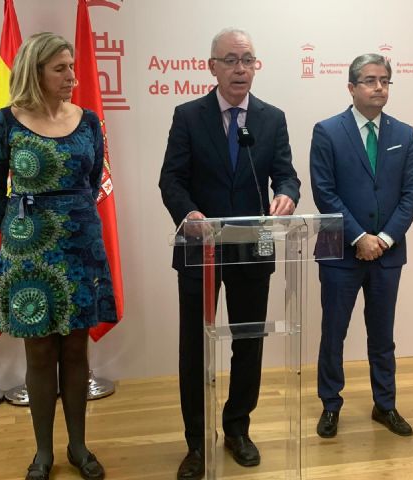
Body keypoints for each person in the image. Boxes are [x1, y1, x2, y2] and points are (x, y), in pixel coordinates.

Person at [159, 28, 300, 480]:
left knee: (248, 341)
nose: (241, 69)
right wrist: (189, 212)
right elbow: (171, 180)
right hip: (200, 245)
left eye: (248, 60)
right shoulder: (188, 115)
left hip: (253, 245)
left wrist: (287, 195)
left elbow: (287, 175)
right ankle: (197, 442)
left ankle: (238, 428)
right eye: (231, 60)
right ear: (212, 67)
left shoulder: (272, 118)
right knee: (195, 347)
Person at [0, 32, 116, 480]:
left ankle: (78, 446)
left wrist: (67, 217)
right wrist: (23, 233)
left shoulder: (89, 122)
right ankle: (43, 452)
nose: (72, 76)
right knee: (39, 353)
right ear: (35, 71)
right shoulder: (7, 122)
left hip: (81, 245)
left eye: (72, 67)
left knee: (76, 349)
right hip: (29, 251)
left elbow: (93, 181)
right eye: (60, 68)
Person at [310, 53, 413, 439]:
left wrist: (384, 239)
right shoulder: (327, 131)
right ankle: (330, 404)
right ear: (351, 87)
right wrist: (360, 237)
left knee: (382, 334)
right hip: (340, 250)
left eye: (385, 81)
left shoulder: (404, 134)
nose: (379, 88)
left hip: (387, 253)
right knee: (334, 332)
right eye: (371, 81)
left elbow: (411, 194)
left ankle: (385, 404)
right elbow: (324, 192)